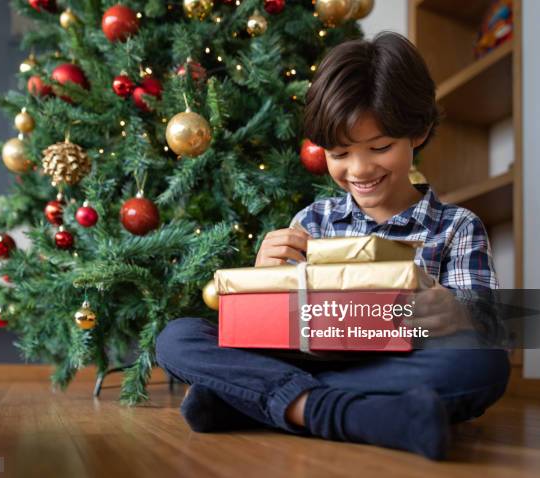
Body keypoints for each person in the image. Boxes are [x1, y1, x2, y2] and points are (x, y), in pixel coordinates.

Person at [155, 32, 510, 461]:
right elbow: (270, 329)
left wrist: (459, 311)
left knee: (484, 366)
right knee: (177, 337)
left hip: (396, 366)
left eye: (379, 147)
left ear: (419, 133)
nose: (359, 170)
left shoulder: (456, 227)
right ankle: (346, 413)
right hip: (308, 360)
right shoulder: (311, 221)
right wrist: (262, 280)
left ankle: (253, 401)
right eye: (339, 153)